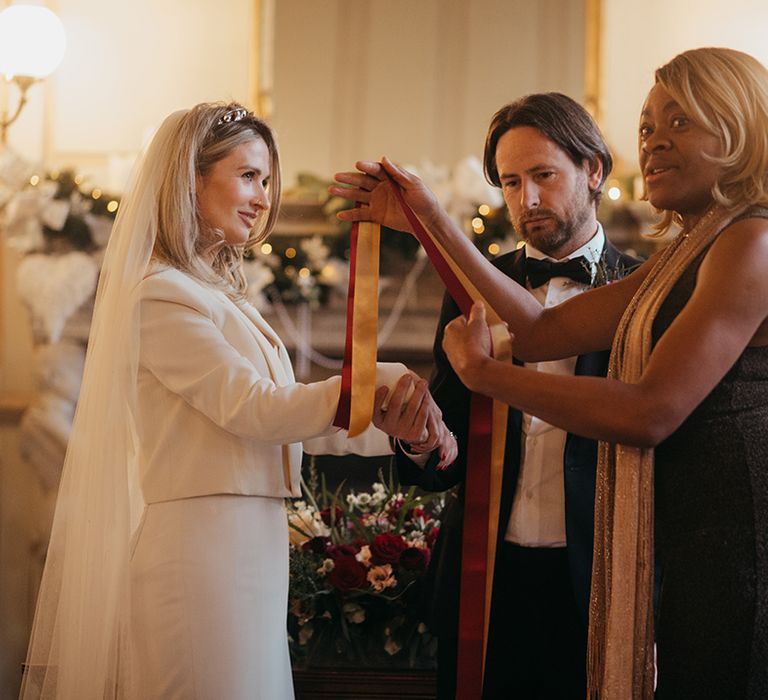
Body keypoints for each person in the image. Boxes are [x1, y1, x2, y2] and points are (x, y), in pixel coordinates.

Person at [334, 47, 768, 699]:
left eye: (679, 122)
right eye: (647, 126)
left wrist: (490, 375)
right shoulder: (689, 250)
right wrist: (428, 219)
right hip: (682, 555)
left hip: (737, 558)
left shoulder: (752, 240)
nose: (652, 143)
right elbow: (538, 333)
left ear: (739, 127)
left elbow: (648, 412)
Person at [20, 102, 456, 700]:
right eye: (248, 175)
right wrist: (375, 377)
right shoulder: (161, 296)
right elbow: (252, 406)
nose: (263, 197)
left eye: (267, 181)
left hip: (247, 542)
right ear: (190, 181)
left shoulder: (218, 297)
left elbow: (293, 418)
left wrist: (405, 425)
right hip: (200, 547)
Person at [376, 92, 638, 699]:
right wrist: (421, 441)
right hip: (486, 585)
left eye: (544, 176)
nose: (528, 201)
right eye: (512, 183)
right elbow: (448, 454)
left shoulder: (641, 290)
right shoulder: (473, 285)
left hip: (599, 586)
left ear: (593, 170)